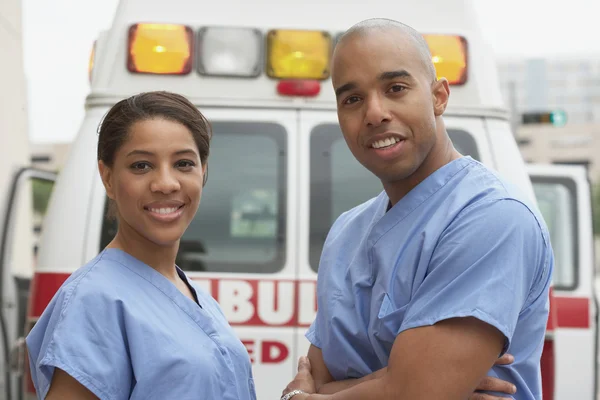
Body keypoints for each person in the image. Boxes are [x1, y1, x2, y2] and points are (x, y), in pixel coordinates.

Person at [282, 18, 553, 400]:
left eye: (395, 88)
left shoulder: (494, 217)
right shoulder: (347, 232)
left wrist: (323, 395)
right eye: (352, 99)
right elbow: (320, 376)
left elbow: (415, 392)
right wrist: (393, 383)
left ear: (439, 96)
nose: (374, 113)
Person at [26, 91, 256, 400]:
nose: (165, 183)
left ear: (204, 172)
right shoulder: (93, 300)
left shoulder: (195, 296)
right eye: (141, 166)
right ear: (107, 177)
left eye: (184, 163)